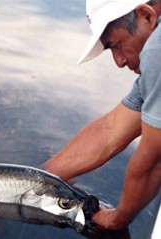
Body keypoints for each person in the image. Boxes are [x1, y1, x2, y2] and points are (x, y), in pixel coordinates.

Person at [42, 0, 161, 230]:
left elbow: (155, 158)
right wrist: (40, 179)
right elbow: (110, 130)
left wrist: (118, 218)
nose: (119, 62)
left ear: (146, 16)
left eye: (117, 45)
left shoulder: (157, 50)